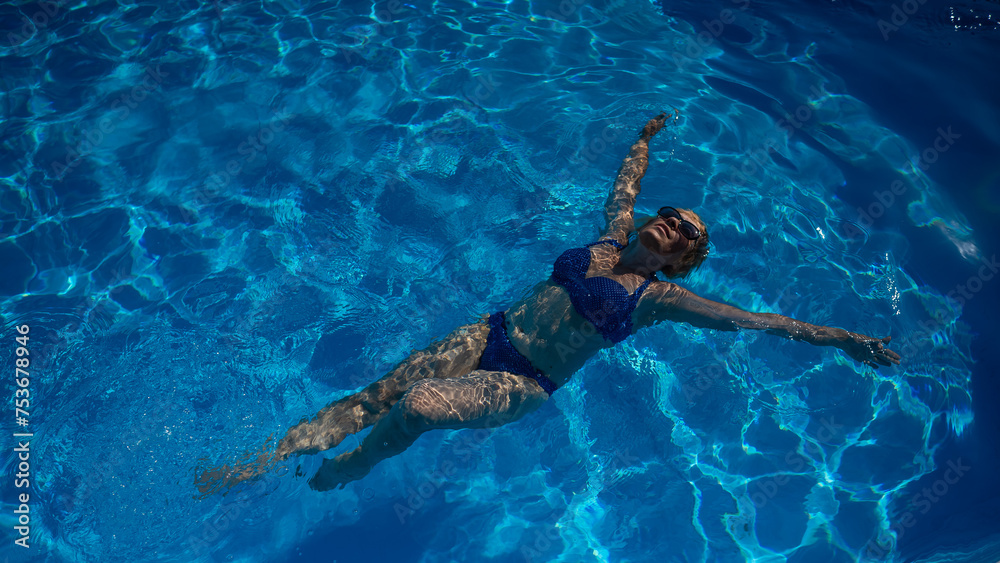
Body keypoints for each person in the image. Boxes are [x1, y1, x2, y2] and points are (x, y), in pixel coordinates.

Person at [196, 112, 901, 494]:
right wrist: (644, 140)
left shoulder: (659, 299)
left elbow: (760, 322)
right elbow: (624, 184)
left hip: (524, 379)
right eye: (672, 215)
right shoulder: (607, 239)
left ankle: (347, 471)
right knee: (377, 393)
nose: (673, 225)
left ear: (683, 256)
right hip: (488, 332)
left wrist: (842, 338)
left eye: (686, 231)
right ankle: (258, 463)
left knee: (416, 408)